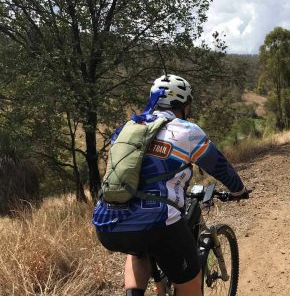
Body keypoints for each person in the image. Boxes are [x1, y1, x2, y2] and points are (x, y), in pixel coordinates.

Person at [92, 74, 249, 296]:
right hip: (159, 225)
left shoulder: (127, 128)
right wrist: (239, 190)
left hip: (108, 223)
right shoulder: (187, 130)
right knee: (190, 282)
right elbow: (219, 167)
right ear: (184, 105)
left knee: (137, 252)